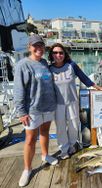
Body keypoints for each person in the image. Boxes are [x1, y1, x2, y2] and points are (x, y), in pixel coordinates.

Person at [14, 35, 58, 187]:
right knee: (30, 139)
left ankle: (45, 155)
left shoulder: (45, 62)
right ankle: (27, 169)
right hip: (32, 109)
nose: (39, 48)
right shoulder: (23, 65)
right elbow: (18, 90)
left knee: (45, 132)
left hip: (48, 106)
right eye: (35, 46)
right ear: (29, 47)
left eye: (41, 45)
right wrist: (21, 111)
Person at [48, 43, 102, 159]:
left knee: (74, 125)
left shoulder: (71, 65)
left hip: (72, 101)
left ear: (64, 54)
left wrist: (97, 87)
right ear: (51, 55)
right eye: (55, 53)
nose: (58, 55)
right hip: (57, 104)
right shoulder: (49, 69)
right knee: (61, 128)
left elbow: (83, 77)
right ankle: (64, 149)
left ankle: (72, 145)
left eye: (61, 52)